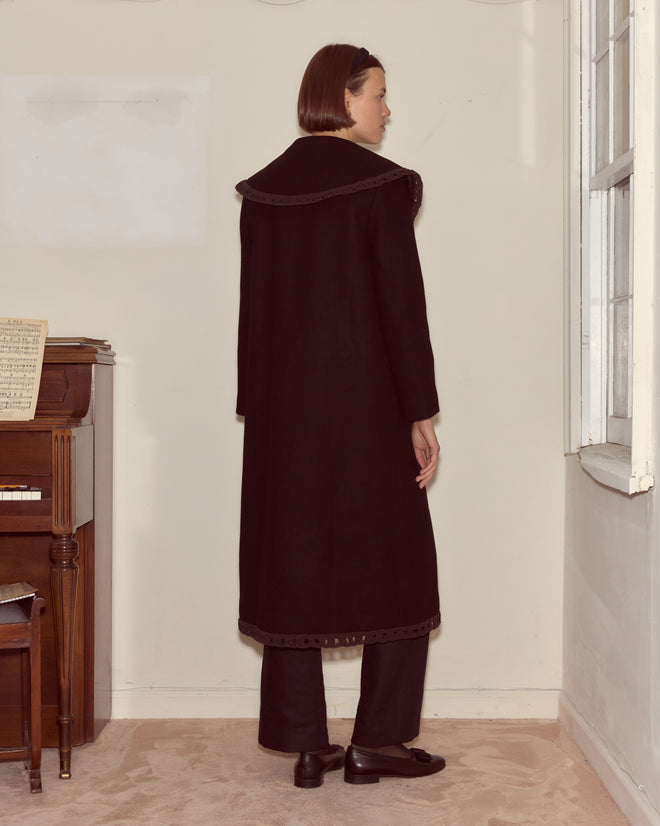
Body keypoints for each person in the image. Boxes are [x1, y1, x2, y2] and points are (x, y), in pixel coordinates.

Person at [235, 43, 445, 789]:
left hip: (285, 421)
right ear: (341, 96)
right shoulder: (382, 186)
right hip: (367, 409)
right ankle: (376, 741)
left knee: (288, 562)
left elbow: (253, 317)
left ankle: (304, 745)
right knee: (398, 566)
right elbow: (401, 307)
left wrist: (255, 409)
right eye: (379, 94)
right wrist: (420, 411)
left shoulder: (263, 191)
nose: (388, 110)